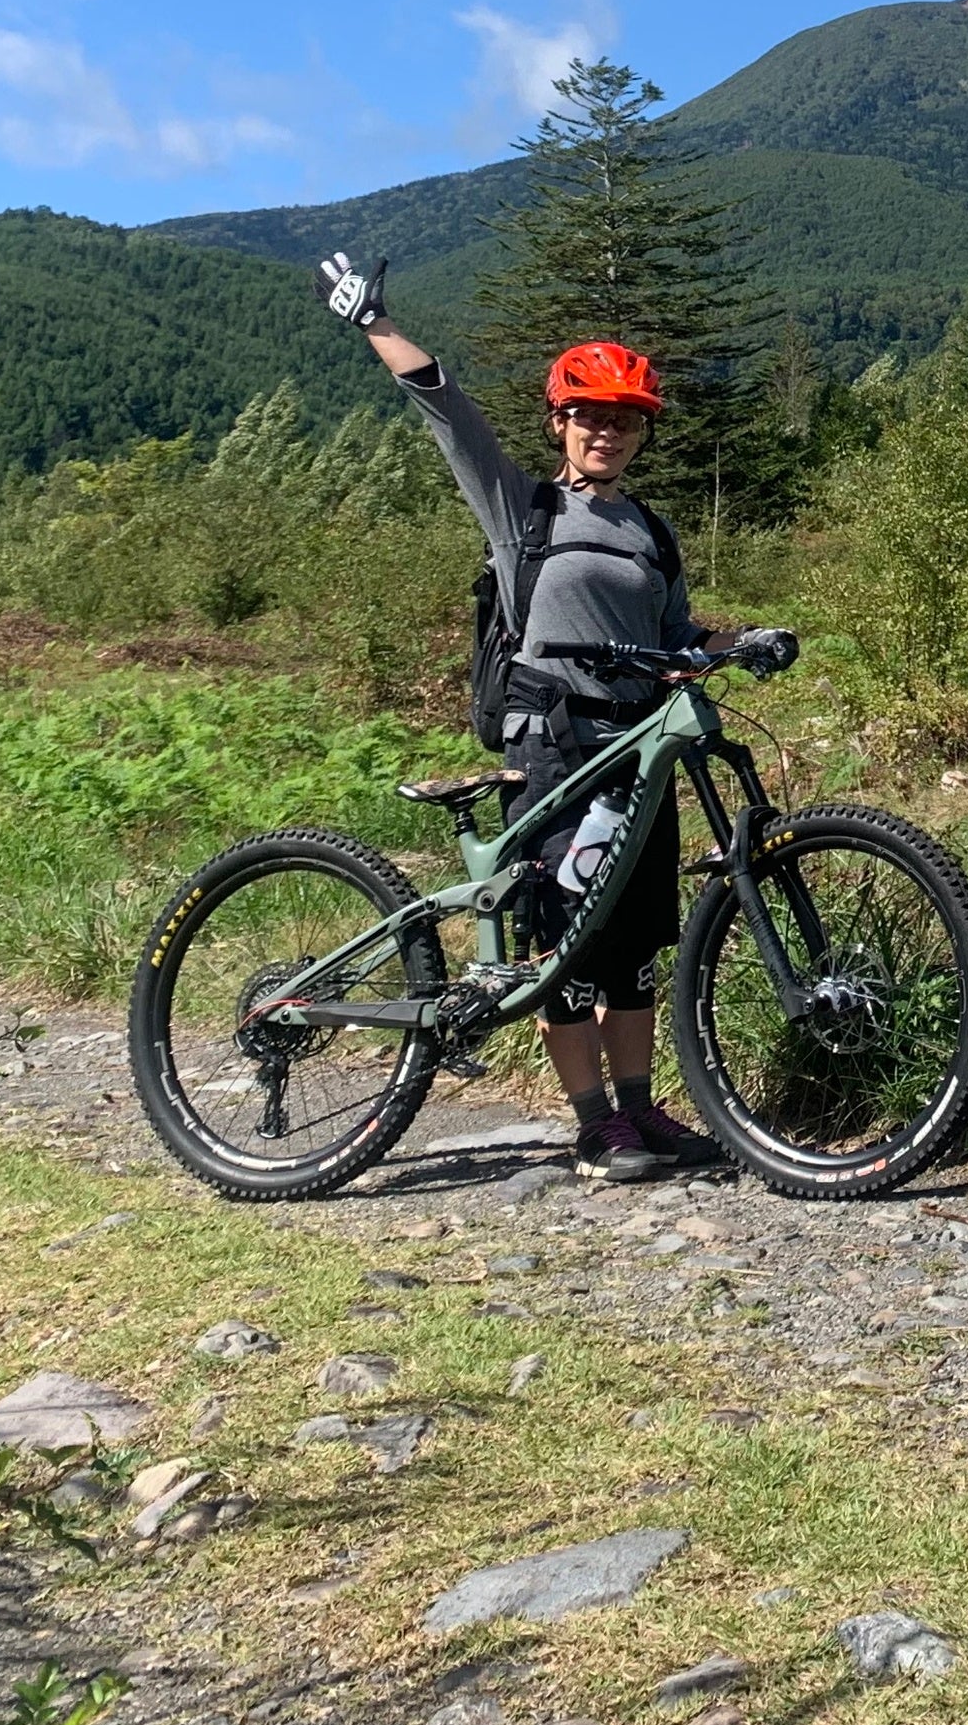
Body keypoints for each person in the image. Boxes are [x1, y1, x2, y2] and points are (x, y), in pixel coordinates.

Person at [315, 255, 759, 1186]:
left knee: (634, 941)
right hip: (554, 743)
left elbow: (673, 632)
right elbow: (446, 411)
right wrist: (373, 322)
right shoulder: (524, 507)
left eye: (624, 417)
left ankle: (640, 1109)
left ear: (641, 432)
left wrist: (733, 643)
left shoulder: (651, 530)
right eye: (590, 413)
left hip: (640, 745)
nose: (608, 429)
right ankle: (594, 1123)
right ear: (560, 422)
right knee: (564, 943)